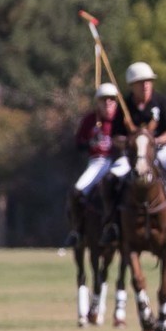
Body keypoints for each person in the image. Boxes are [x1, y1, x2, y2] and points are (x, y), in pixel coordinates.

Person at [110, 61, 166, 248]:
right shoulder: (124, 106)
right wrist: (131, 143)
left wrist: (156, 142)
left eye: (148, 81)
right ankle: (112, 225)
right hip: (133, 155)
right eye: (140, 82)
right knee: (110, 181)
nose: (146, 85)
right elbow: (115, 136)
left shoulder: (162, 102)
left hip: (161, 151)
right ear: (131, 85)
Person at [67, 82, 123, 247]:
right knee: (76, 191)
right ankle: (77, 230)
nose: (108, 103)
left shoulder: (122, 119)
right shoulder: (90, 120)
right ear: (97, 101)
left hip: (118, 161)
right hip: (97, 161)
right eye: (104, 99)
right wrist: (91, 142)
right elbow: (78, 145)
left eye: (111, 99)